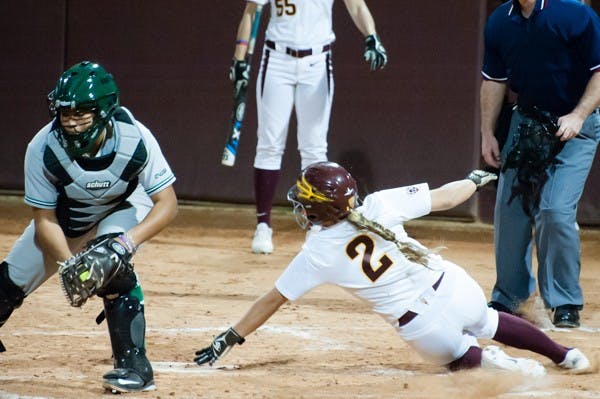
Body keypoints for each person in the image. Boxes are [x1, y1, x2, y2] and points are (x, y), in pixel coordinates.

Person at [193, 162, 589, 375]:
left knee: (457, 357)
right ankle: (564, 355)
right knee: (488, 320)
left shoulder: (317, 251)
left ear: (320, 210)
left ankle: (502, 368)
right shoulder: (379, 204)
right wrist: (475, 179)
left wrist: (230, 337)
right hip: (453, 286)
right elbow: (447, 197)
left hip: (421, 326)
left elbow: (271, 300)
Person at [0, 61, 178, 393]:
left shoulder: (136, 138)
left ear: (105, 110)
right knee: (5, 286)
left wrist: (125, 244)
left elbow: (167, 204)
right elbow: (44, 220)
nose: (70, 122)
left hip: (120, 209)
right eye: (65, 113)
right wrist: (70, 264)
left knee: (110, 265)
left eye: (81, 113)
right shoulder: (42, 148)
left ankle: (135, 367)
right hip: (66, 220)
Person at [230, 0, 388, 254]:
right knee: (269, 144)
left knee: (314, 148)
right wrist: (239, 59)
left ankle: (317, 225)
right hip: (277, 58)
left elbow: (356, 5)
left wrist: (372, 36)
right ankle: (263, 225)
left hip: (317, 60)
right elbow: (251, 11)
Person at [480, 0, 600, 327]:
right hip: (527, 122)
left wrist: (578, 115)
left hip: (575, 127)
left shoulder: (574, 14)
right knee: (509, 209)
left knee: (554, 210)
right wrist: (488, 133)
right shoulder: (500, 21)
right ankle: (510, 298)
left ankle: (564, 303)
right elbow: (494, 79)